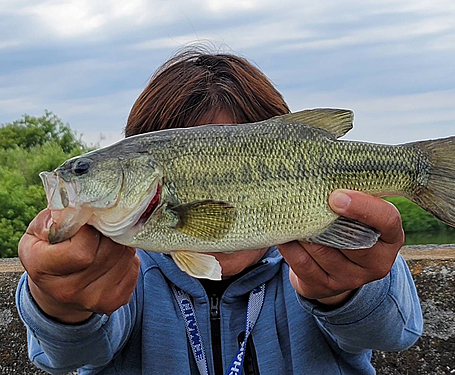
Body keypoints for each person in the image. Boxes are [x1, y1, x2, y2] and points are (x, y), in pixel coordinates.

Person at [16, 48, 423, 375]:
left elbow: (396, 330)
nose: (75, 176)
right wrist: (59, 304)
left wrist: (346, 291)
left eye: (83, 170)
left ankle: (421, 167)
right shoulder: (124, 267)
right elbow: (65, 356)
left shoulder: (316, 256)